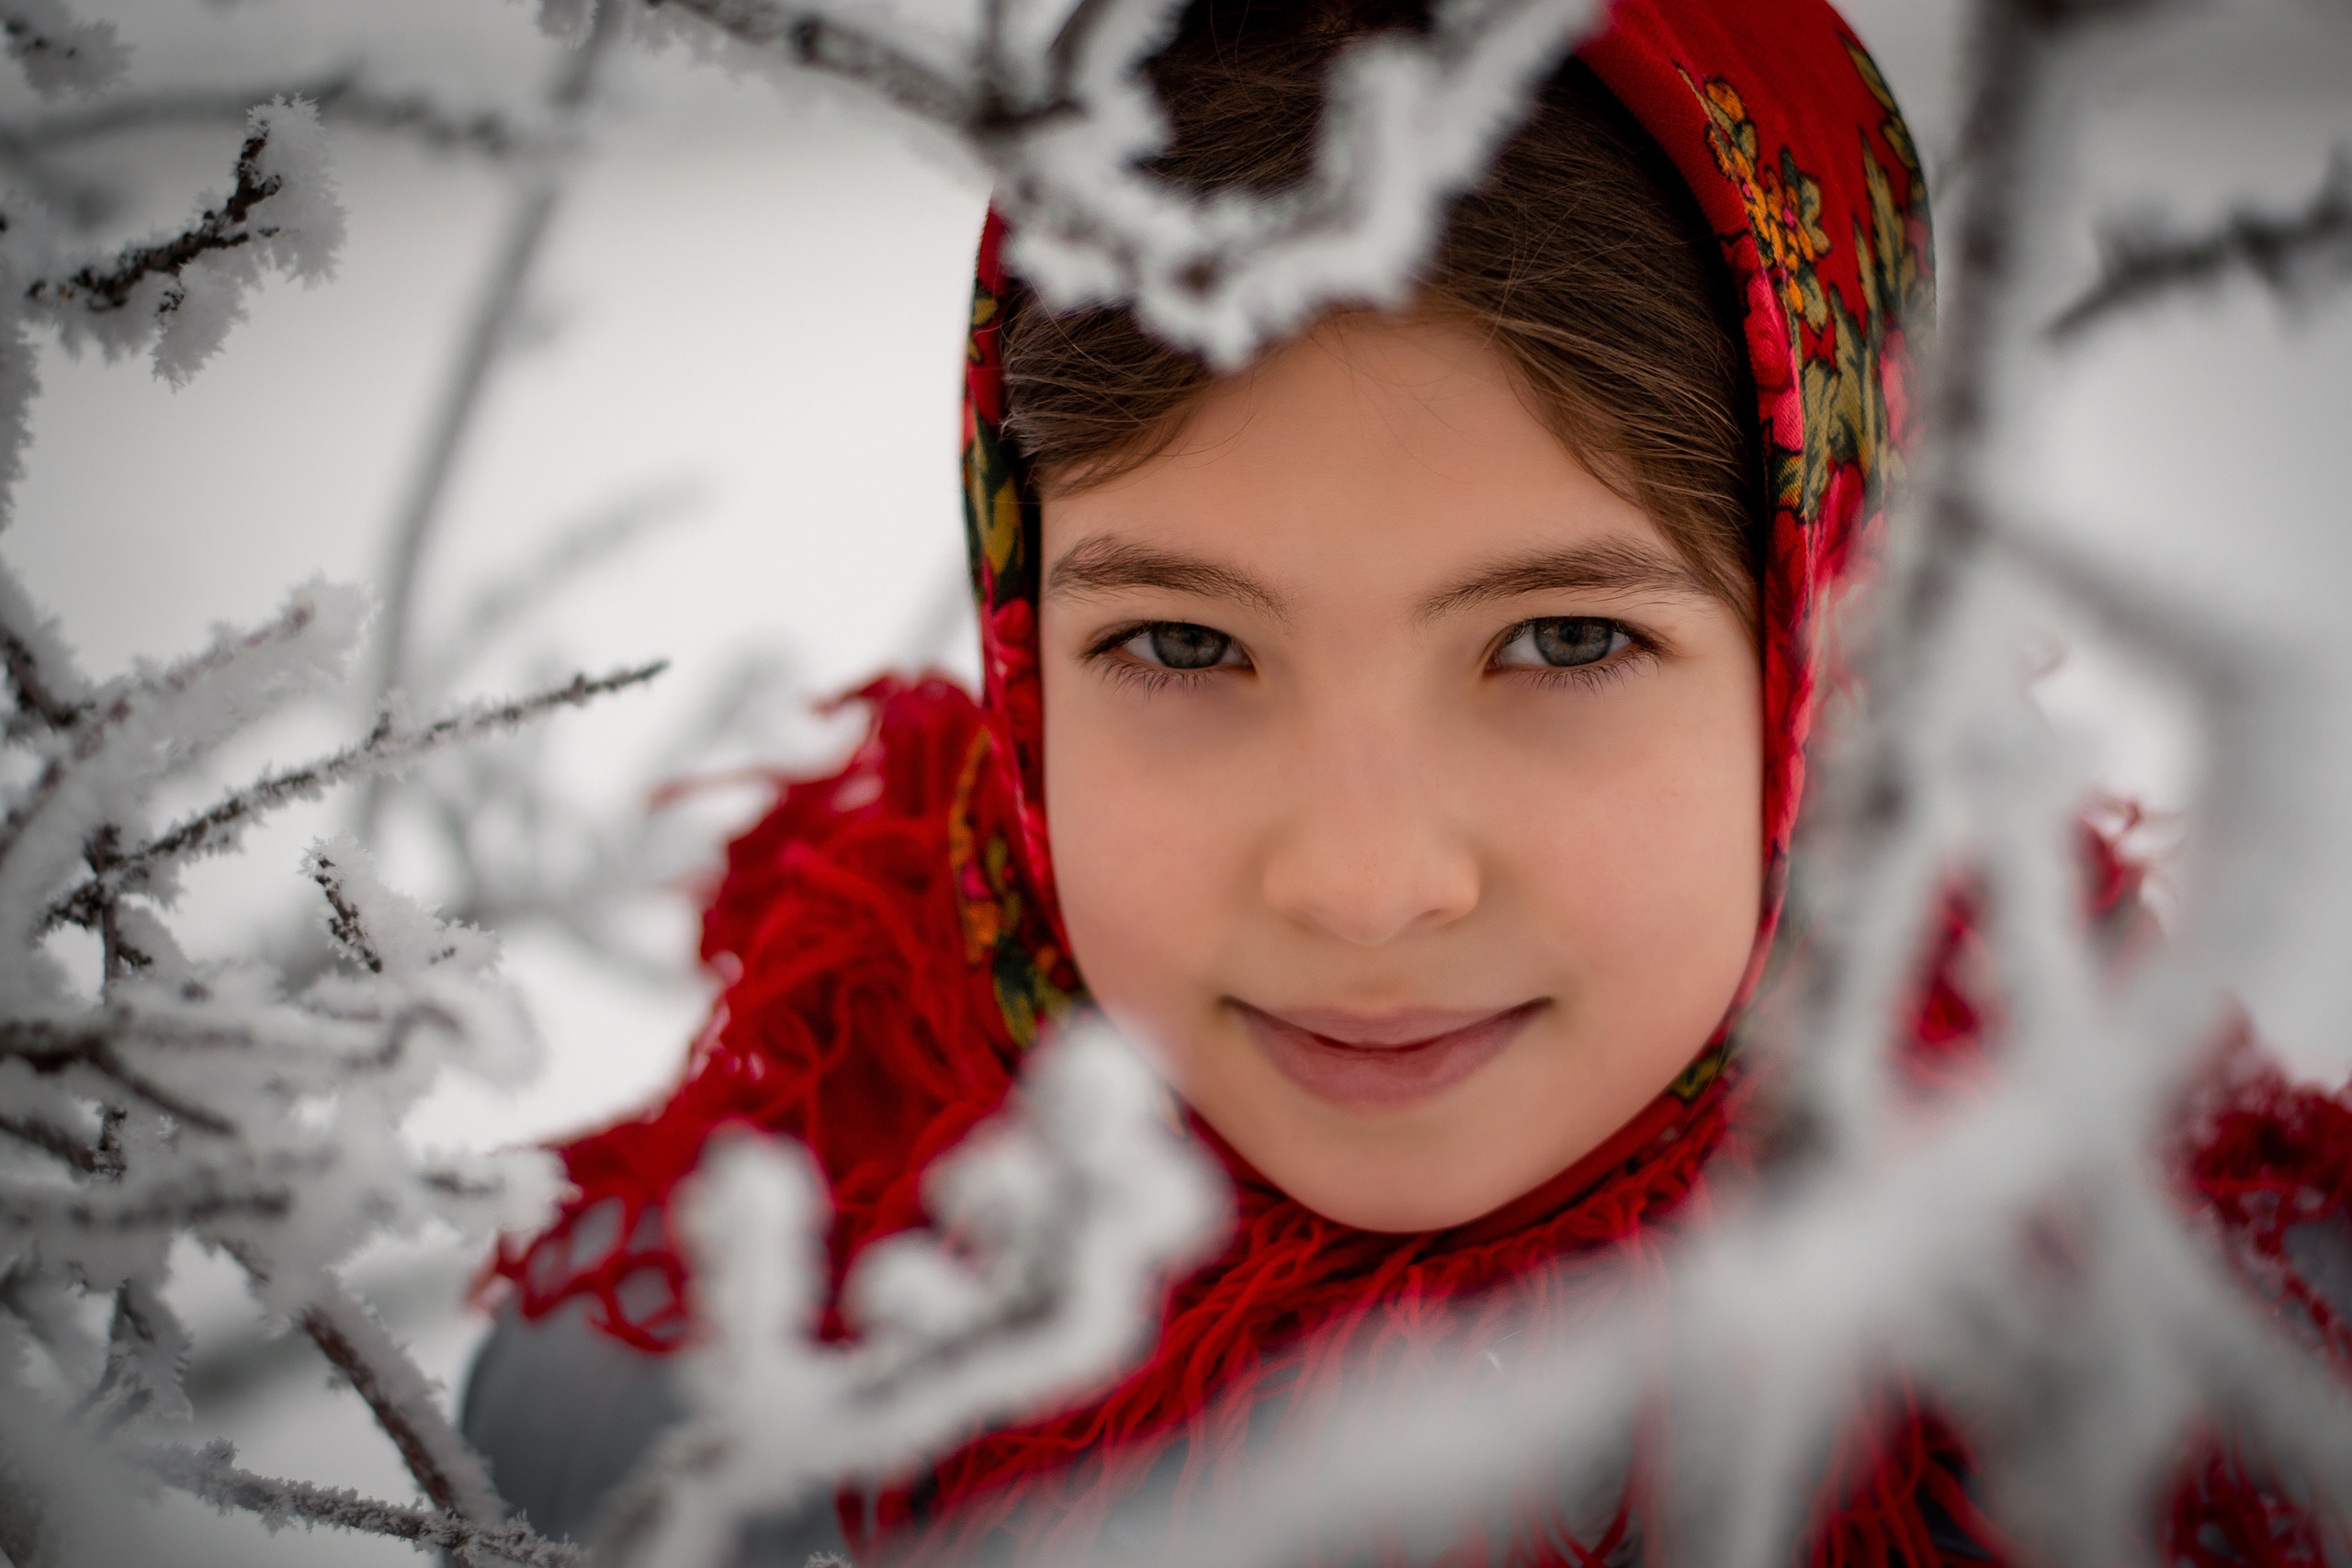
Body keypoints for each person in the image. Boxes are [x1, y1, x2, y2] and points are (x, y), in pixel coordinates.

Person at [462, 0, 2352, 1562]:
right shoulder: (678, 1403)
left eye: (1559, 640)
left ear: (1834, 641)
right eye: (1185, 647)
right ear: (1025, 639)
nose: (1361, 887)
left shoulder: (2217, 1394)